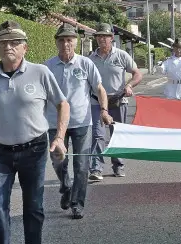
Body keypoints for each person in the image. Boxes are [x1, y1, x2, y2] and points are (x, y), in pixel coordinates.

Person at [0, 21, 70, 244]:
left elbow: (62, 104)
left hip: (34, 150)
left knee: (34, 207)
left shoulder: (40, 73)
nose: (8, 47)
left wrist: (60, 138)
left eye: (14, 42)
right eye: (3, 43)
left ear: (24, 47)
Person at [44, 24, 113, 219]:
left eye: (69, 39)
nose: (66, 43)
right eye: (62, 40)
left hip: (82, 122)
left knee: (82, 166)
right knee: (58, 161)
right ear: (56, 42)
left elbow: (99, 89)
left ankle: (77, 203)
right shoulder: (47, 67)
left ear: (75, 41)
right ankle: (65, 186)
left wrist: (104, 110)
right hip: (55, 124)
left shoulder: (85, 64)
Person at [89, 23, 142, 181]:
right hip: (96, 102)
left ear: (112, 38)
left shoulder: (121, 55)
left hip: (118, 101)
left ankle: (118, 165)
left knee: (116, 135)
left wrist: (129, 85)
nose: (101, 39)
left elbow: (137, 74)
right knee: (97, 136)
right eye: (99, 36)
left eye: (105, 36)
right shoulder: (90, 58)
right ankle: (96, 168)